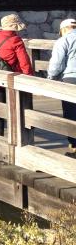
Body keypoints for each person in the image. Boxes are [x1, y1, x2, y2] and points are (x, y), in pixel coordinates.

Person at [0, 13, 33, 136]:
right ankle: (15, 136)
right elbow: (24, 62)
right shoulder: (15, 40)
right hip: (12, 78)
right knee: (15, 109)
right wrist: (29, 78)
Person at [47, 18, 76, 156]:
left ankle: (74, 146)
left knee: (71, 113)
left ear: (64, 29)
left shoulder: (63, 40)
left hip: (71, 79)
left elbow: (56, 64)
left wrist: (51, 78)